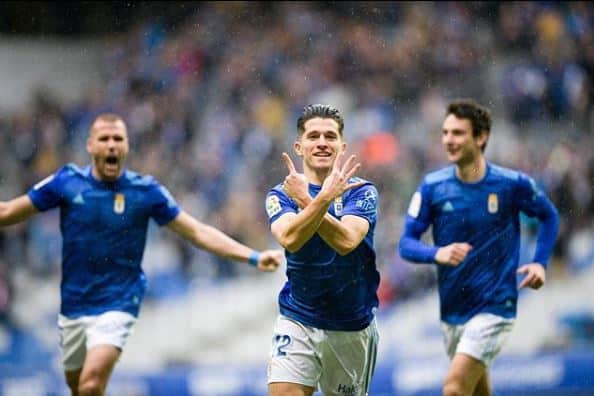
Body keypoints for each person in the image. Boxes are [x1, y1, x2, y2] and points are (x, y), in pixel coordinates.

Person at [0, 113, 283, 396]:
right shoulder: (66, 182)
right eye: (104, 139)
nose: (111, 145)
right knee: (80, 387)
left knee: (92, 380)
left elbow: (197, 232)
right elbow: (8, 211)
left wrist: (252, 256)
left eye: (118, 139)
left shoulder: (144, 191)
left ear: (126, 146)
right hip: (76, 301)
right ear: (90, 145)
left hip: (119, 298)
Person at [398, 99, 559, 396]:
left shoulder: (511, 184)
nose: (448, 139)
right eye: (445, 132)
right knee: (477, 392)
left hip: (495, 305)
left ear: (481, 137)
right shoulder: (432, 187)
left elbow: (549, 215)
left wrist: (540, 262)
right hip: (453, 310)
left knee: (455, 388)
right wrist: (437, 253)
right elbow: (406, 244)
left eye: (458, 133)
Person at [265, 104, 380, 396]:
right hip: (298, 317)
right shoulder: (280, 194)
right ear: (299, 146)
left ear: (342, 146)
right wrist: (317, 199)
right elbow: (289, 238)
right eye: (313, 136)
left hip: (351, 325)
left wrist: (310, 199)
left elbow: (346, 242)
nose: (321, 143)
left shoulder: (362, 191)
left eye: (329, 136)